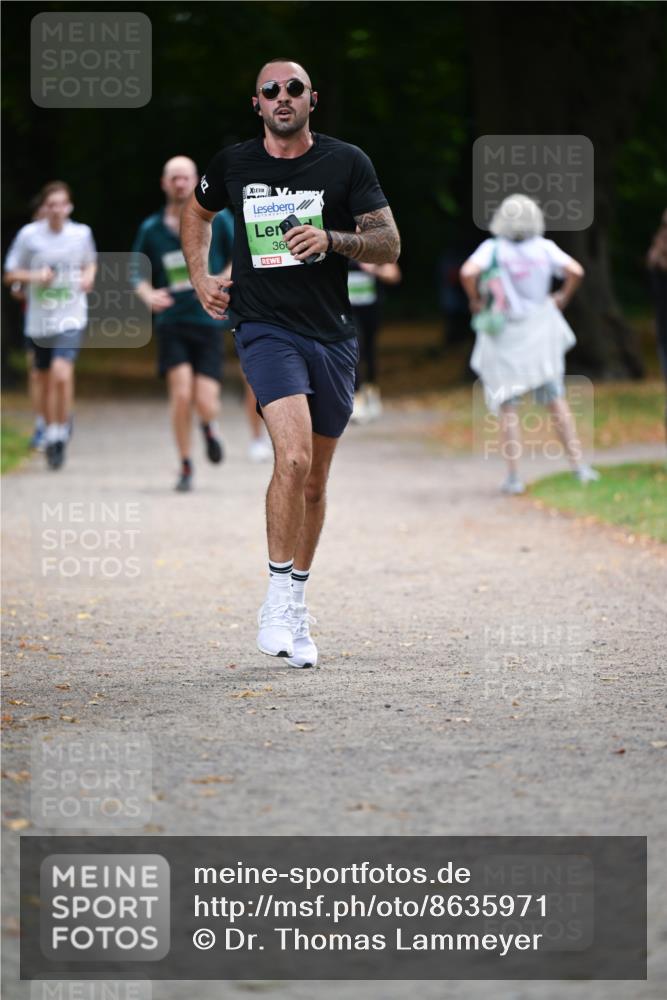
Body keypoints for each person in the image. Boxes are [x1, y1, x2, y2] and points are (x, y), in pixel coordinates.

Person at [181, 57, 400, 667]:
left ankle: (297, 602)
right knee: (294, 456)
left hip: (331, 335)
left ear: (312, 99)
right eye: (270, 90)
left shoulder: (346, 162)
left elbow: (389, 244)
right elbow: (196, 214)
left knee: (316, 481)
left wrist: (332, 239)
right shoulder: (233, 164)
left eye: (293, 89)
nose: (282, 97)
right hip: (262, 327)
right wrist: (201, 276)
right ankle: (277, 598)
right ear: (257, 103)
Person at [460, 194, 599, 494]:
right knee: (556, 400)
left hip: (504, 334)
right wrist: (562, 296)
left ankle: (514, 476)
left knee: (507, 406)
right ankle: (579, 466)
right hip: (539, 334)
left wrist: (476, 299)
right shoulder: (544, 248)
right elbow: (576, 271)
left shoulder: (493, 248)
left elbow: (467, 272)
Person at [3, 181, 96, 470]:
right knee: (41, 379)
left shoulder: (81, 234)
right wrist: (34, 277)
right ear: (45, 207)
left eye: (62, 204)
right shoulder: (29, 236)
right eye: (51, 204)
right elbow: (10, 274)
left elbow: (90, 262)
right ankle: (47, 423)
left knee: (61, 372)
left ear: (69, 207)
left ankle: (58, 433)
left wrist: (88, 277)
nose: (57, 210)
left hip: (71, 314)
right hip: (39, 319)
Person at [348, 257, 401, 424]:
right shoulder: (339, 246)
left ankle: (371, 392)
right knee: (355, 349)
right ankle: (356, 400)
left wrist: (374, 269)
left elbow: (394, 275)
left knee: (370, 352)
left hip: (371, 310)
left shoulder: (374, 247)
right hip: (349, 312)